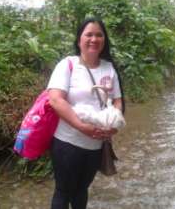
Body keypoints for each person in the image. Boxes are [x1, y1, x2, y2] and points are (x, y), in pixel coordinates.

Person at [47, 17, 125, 209]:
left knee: (82, 189)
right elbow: (56, 99)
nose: (94, 39)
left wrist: (113, 126)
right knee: (63, 191)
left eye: (99, 35)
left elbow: (117, 100)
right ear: (79, 39)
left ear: (104, 40)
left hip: (95, 145)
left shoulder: (109, 68)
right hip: (68, 142)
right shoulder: (68, 65)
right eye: (89, 34)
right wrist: (82, 127)